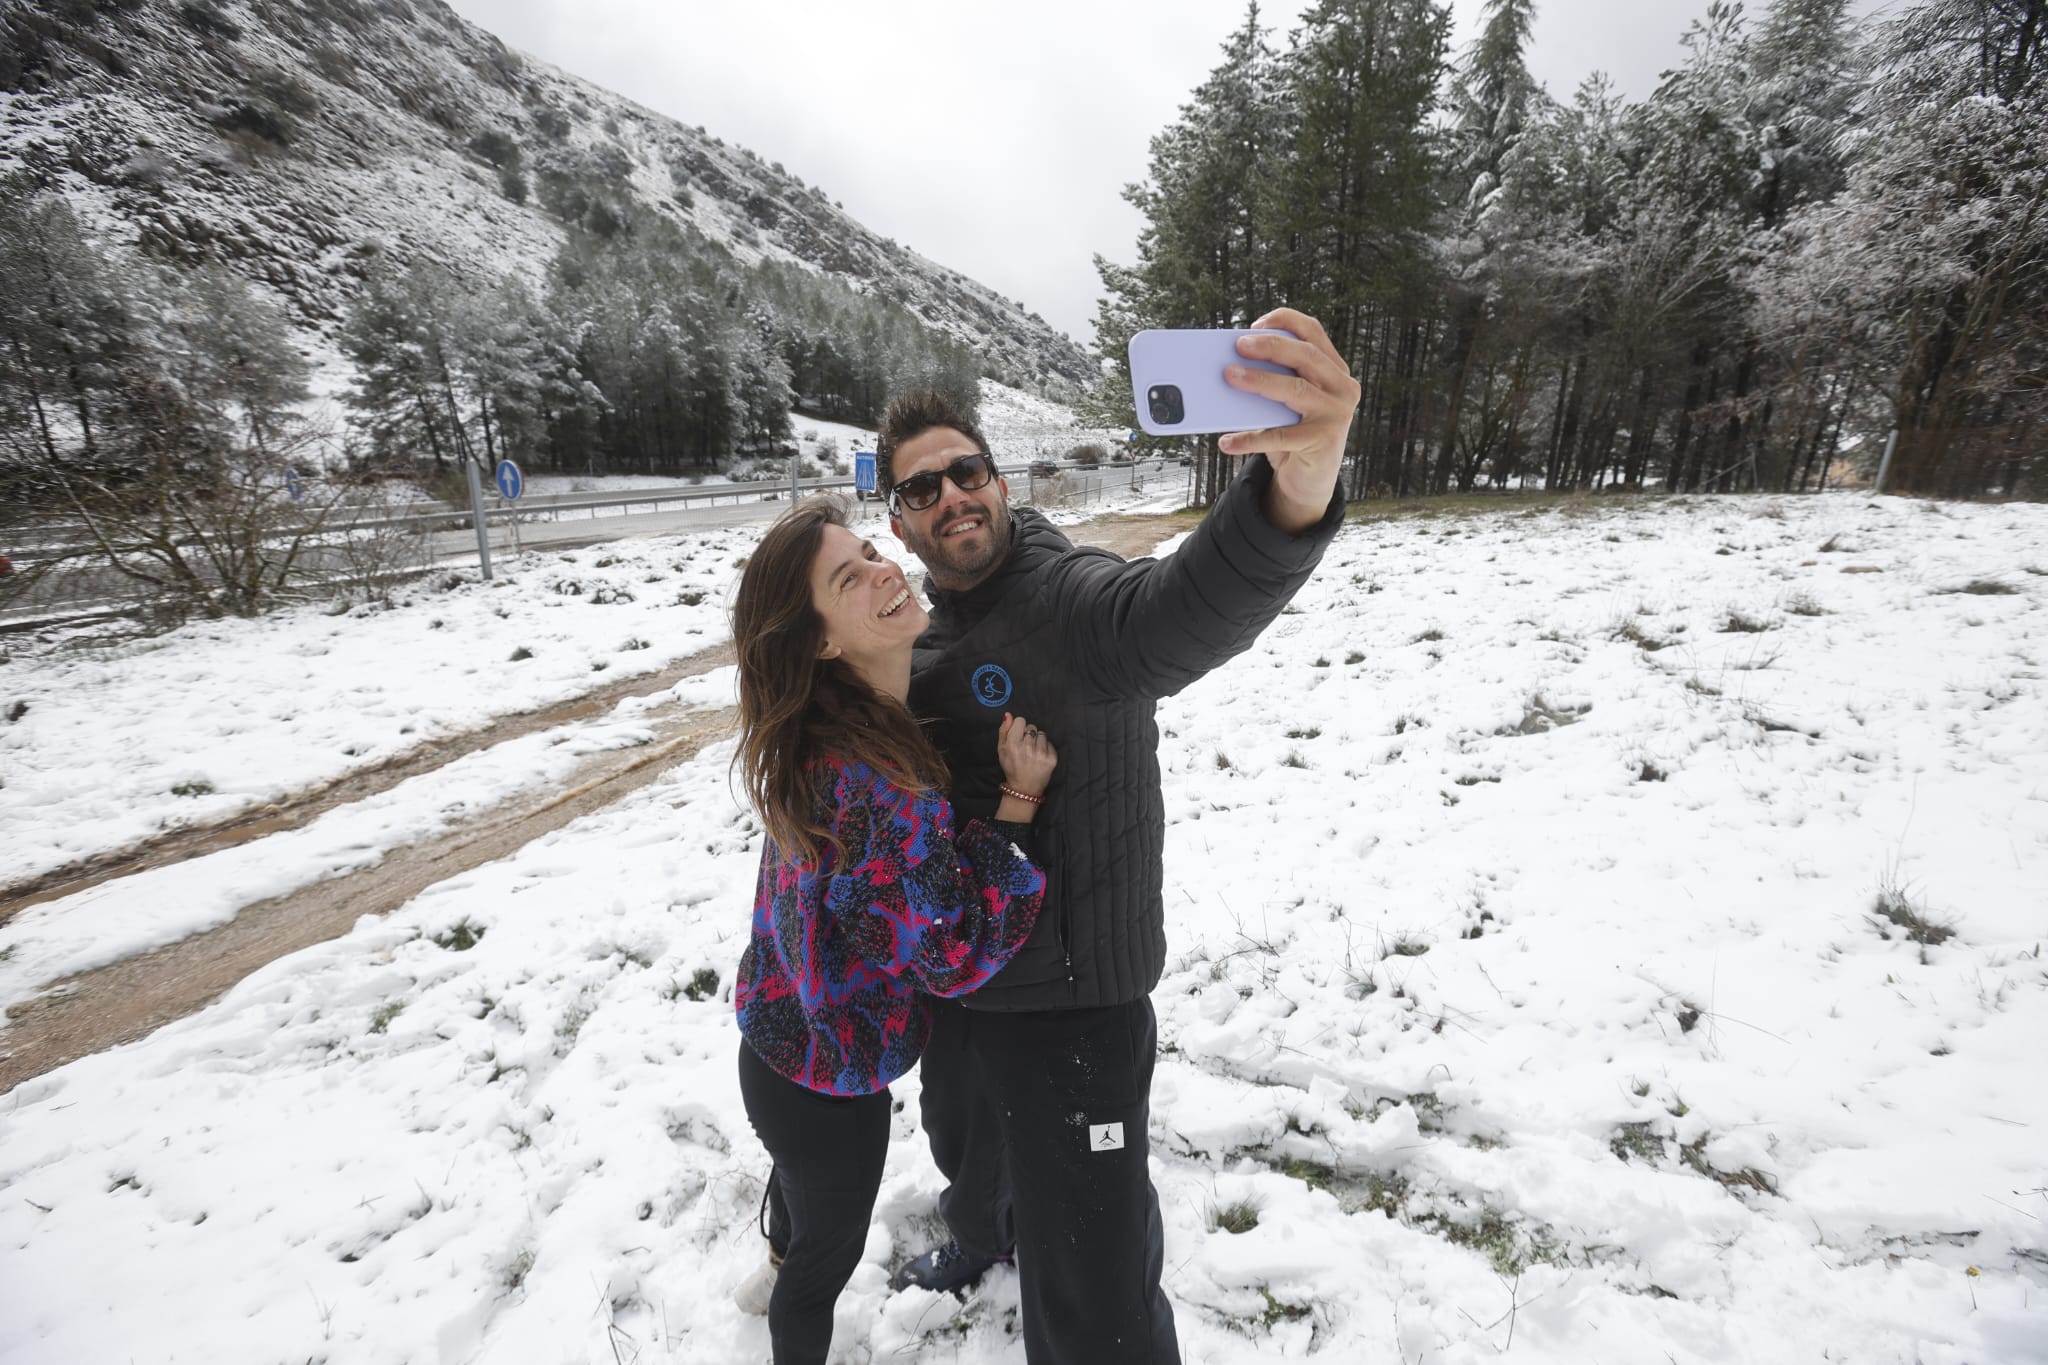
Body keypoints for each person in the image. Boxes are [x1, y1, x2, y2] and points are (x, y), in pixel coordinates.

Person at [881, 309, 1360, 1363]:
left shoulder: (1067, 601)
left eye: (967, 472)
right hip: (962, 985)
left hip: (1069, 1009)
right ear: (899, 522)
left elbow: (1179, 609)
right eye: (923, 487)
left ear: (1000, 484)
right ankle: (984, 1234)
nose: (952, 496)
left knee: (1094, 1289)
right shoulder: (922, 640)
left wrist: (1297, 479)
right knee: (968, 1152)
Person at [726, 496, 1060, 1365]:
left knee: (798, 1183)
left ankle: (771, 1258)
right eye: (850, 574)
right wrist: (1018, 807)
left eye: (871, 549)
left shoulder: (823, 737)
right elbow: (950, 954)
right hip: (828, 1084)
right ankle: (787, 1303)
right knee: (824, 1261)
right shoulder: (879, 785)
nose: (883, 566)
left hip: (776, 1039)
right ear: (823, 644)